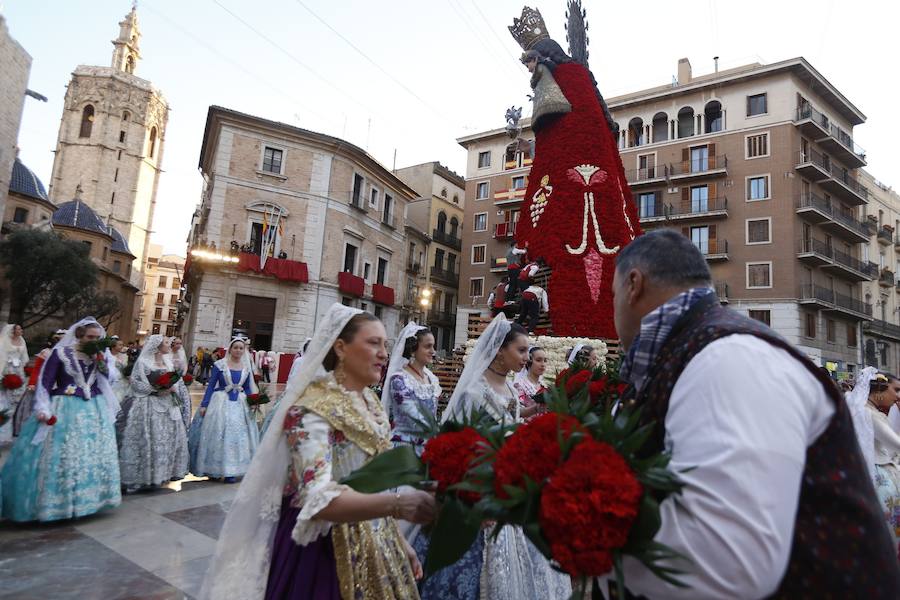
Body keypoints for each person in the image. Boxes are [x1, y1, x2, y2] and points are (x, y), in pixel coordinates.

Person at [610, 229, 899, 597]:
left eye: (612, 295)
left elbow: (728, 566)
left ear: (633, 284)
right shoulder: (705, 351)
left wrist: (589, 537)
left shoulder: (728, 356)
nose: (613, 310)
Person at [198, 304, 435, 600]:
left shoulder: (370, 403)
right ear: (341, 347)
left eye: (385, 345)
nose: (384, 354)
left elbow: (373, 483)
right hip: (322, 549)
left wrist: (400, 541)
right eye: (373, 343)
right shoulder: (310, 409)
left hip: (375, 536)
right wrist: (398, 504)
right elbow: (317, 498)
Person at [508, 8, 641, 338]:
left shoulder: (571, 78)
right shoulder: (553, 84)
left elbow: (586, 128)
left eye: (530, 60)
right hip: (556, 177)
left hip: (582, 173)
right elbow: (551, 140)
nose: (528, 68)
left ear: (544, 57)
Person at [420, 316, 571, 600]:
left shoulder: (512, 389)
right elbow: (459, 449)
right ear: (500, 350)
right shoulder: (474, 393)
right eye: (521, 350)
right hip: (483, 499)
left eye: (528, 351)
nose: (526, 358)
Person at [1, 318, 121, 521]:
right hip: (65, 405)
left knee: (89, 454)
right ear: (79, 335)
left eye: (97, 338)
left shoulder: (99, 356)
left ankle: (88, 501)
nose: (94, 340)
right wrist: (42, 407)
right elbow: (45, 382)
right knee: (62, 454)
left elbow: (109, 380)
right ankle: (56, 504)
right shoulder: (61, 353)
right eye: (90, 337)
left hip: (94, 408)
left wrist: (101, 361)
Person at [118, 335, 189, 492]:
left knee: (165, 438)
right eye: (165, 343)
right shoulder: (143, 362)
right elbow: (136, 382)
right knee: (150, 437)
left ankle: (162, 474)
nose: (168, 344)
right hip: (149, 405)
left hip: (168, 405)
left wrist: (172, 388)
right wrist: (155, 390)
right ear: (157, 346)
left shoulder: (168, 361)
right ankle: (144, 476)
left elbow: (175, 381)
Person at [847, 369, 900, 557]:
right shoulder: (870, 415)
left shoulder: (865, 411)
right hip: (881, 478)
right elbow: (897, 444)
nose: (897, 396)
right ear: (879, 391)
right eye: (896, 390)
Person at [191, 337, 259, 483]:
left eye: (241, 348)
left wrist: (252, 401)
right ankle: (214, 469)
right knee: (219, 433)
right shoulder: (219, 365)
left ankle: (232, 471)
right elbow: (211, 385)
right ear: (230, 349)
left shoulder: (246, 367)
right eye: (236, 347)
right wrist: (204, 404)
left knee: (237, 435)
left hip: (240, 404)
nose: (238, 350)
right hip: (221, 402)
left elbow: (247, 387)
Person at [382, 323, 441, 456]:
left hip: (427, 445)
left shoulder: (432, 379)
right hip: (405, 448)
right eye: (428, 346)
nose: (433, 351)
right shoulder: (400, 380)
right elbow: (413, 418)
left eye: (433, 346)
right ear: (413, 350)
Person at [13, 330, 62, 436]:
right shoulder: (46, 353)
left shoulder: (68, 354)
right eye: (58, 338)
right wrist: (32, 383)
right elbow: (37, 369)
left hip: (60, 387)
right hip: (45, 384)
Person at [0, 324, 29, 442]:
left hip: (19, 371)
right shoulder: (4, 341)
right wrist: (4, 372)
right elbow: (2, 357)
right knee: (6, 398)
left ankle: (11, 428)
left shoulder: (22, 340)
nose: (21, 331)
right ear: (13, 330)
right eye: (18, 329)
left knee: (17, 400)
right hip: (9, 369)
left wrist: (24, 368)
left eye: (21, 329)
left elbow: (24, 356)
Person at [513, 346, 548, 422]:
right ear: (529, 362)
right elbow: (517, 413)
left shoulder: (544, 385)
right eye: (538, 360)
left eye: (545, 360)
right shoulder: (519, 385)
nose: (543, 364)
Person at [170, 337, 193, 428]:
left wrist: (183, 375)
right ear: (172, 344)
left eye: (180, 343)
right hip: (171, 379)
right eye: (177, 343)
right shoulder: (168, 353)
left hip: (179, 379)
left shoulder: (181, 353)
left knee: (184, 400)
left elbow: (184, 365)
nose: (179, 345)